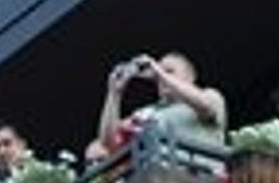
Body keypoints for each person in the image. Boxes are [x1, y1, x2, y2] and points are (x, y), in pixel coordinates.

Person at [90, 50, 227, 163]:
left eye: (170, 71)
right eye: (158, 76)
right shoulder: (147, 112)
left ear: (191, 77)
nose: (160, 79)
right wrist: (114, 94)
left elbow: (205, 105)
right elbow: (109, 143)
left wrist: (159, 71)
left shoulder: (210, 94)